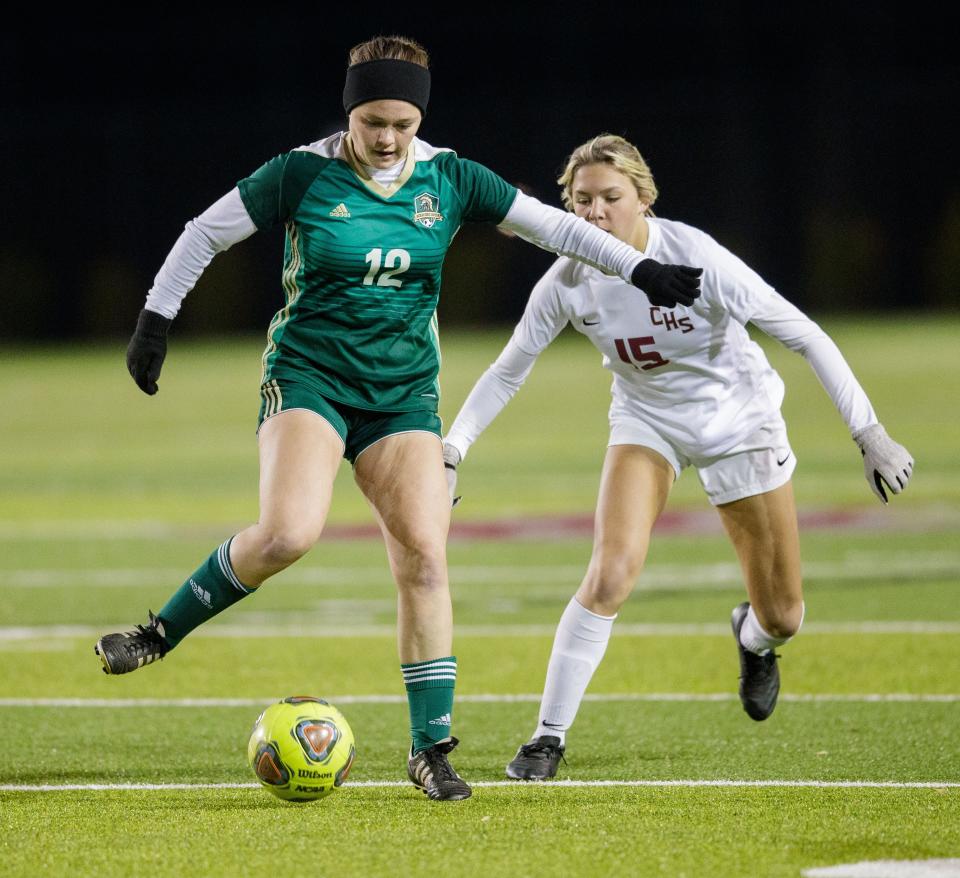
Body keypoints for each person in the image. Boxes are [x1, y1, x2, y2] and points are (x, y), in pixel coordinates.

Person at [93, 42, 702, 801]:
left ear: (421, 117)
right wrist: (156, 317)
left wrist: (636, 267)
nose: (386, 138)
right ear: (348, 111)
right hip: (310, 376)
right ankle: (158, 634)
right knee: (288, 534)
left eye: (402, 123)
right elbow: (203, 232)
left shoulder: (450, 179)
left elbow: (555, 227)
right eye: (371, 120)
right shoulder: (301, 173)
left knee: (425, 554)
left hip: (403, 394)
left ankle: (429, 749)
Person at [442, 133, 914, 781]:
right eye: (581, 201)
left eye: (611, 197)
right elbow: (508, 370)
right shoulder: (569, 278)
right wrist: (451, 449)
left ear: (644, 199)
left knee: (784, 615)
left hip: (740, 424)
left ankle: (753, 640)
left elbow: (804, 334)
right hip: (647, 422)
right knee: (610, 573)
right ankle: (547, 737)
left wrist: (870, 432)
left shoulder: (696, 257)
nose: (595, 213)